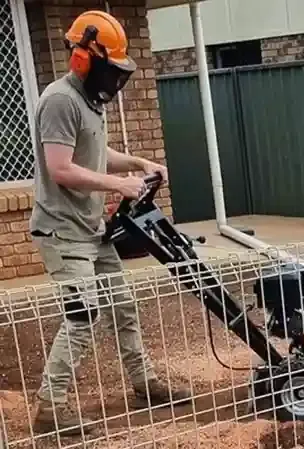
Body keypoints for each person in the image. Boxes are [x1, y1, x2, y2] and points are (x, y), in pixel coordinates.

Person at [30, 10, 192, 436]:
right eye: (110, 68)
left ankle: (144, 383)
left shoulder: (89, 102)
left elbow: (96, 156)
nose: (114, 80)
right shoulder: (60, 100)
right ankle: (50, 407)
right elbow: (61, 168)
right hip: (62, 231)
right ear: (84, 58)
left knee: (123, 305)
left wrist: (137, 162)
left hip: (91, 229)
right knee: (83, 315)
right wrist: (117, 185)